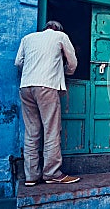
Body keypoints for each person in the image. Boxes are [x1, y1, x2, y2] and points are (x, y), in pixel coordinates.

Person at [15, 21, 80, 186]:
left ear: (46, 27)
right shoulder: (60, 36)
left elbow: (18, 63)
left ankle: (31, 176)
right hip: (47, 85)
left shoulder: (28, 38)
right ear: (58, 28)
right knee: (51, 130)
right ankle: (52, 173)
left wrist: (32, 71)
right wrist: (65, 72)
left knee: (31, 132)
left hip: (26, 86)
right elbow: (72, 62)